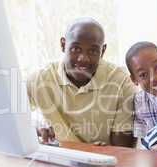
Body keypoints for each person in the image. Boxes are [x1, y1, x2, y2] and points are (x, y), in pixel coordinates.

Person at [27, 18, 138, 147]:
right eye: (76, 49)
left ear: (103, 51)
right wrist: (35, 126)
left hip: (102, 165)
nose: (83, 58)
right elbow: (7, 121)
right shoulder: (40, 78)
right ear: (63, 45)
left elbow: (123, 152)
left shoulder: (122, 82)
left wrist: (87, 152)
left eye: (93, 51)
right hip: (57, 162)